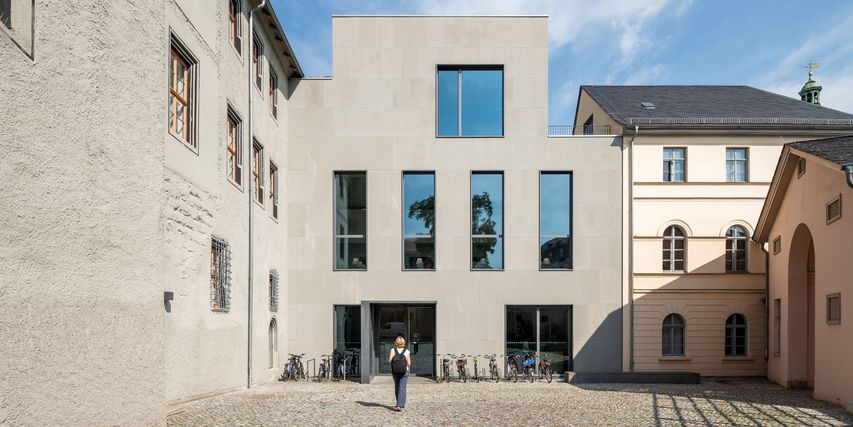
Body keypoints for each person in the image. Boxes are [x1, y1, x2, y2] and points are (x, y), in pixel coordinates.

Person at [388, 335, 411, 412]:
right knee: (402, 387)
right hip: (404, 371)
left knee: (397, 386)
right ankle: (400, 405)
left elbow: (390, 361)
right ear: (403, 342)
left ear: (396, 342)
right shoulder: (407, 351)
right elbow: (409, 363)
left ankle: (398, 402)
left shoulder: (392, 350)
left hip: (395, 371)